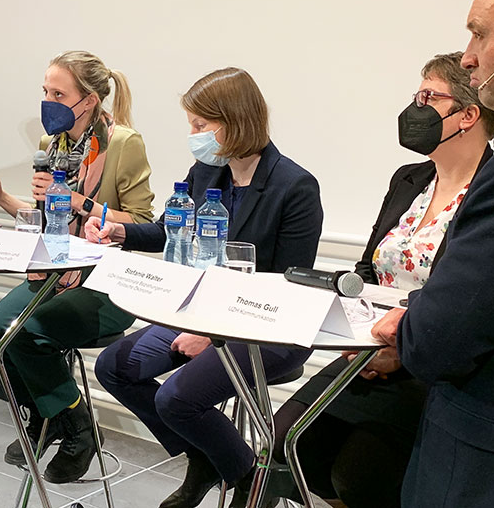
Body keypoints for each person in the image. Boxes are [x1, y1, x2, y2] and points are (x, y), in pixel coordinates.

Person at [271, 52, 494, 508]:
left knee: (357, 477)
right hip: (368, 349)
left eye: (428, 97)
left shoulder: (490, 187)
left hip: (429, 361)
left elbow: (469, 302)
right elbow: (366, 269)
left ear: (468, 114)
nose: (414, 108)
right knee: (285, 444)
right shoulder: (409, 179)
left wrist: (400, 347)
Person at [91, 67, 323, 508]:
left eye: (201, 126)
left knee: (176, 398)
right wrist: (121, 234)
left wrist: (217, 333)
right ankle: (208, 456)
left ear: (235, 121)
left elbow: (293, 286)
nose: (194, 136)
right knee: (113, 367)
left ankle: (251, 482)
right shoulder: (205, 172)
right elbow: (169, 230)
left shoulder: (294, 186)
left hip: (267, 327)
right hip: (202, 312)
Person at [0, 50, 155, 484]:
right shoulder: (51, 145)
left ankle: (78, 427)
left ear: (87, 101)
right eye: (45, 91)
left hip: (106, 281)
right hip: (56, 270)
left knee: (26, 334)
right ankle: (46, 414)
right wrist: (2, 198)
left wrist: (80, 203)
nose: (48, 101)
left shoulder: (123, 143)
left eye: (59, 93)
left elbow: (144, 224)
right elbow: (46, 220)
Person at [371, 0, 494, 507]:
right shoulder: (409, 180)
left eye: (478, 32)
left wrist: (410, 327)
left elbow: (444, 334)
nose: (469, 55)